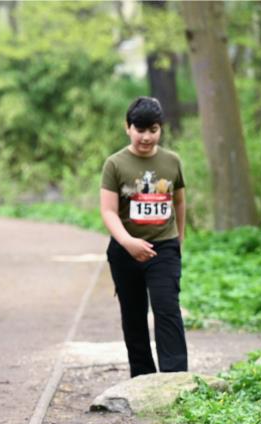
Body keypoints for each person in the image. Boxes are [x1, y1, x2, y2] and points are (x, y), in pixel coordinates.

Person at [100, 96, 188, 377]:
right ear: (128, 128)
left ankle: (175, 377)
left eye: (153, 130)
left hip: (163, 248)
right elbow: (108, 211)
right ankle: (142, 377)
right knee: (133, 314)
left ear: (161, 129)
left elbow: (179, 201)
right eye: (140, 130)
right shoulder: (115, 164)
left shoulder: (172, 161)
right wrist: (128, 242)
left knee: (167, 309)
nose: (146, 137)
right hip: (125, 250)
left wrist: (179, 239)